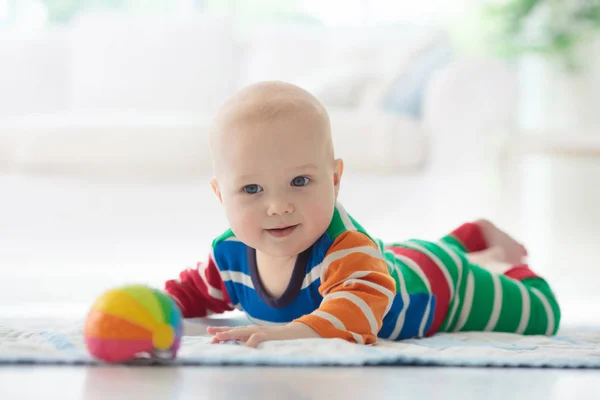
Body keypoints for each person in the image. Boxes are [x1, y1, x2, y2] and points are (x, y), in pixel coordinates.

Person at [164, 81, 560, 348]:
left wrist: (287, 333)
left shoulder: (344, 250)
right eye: (252, 189)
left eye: (300, 182)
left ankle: (493, 259)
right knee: (393, 256)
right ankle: (466, 237)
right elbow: (187, 294)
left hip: (438, 288)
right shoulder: (230, 256)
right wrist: (151, 310)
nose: (278, 206)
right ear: (220, 194)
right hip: (391, 258)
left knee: (541, 313)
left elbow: (353, 316)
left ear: (334, 180)